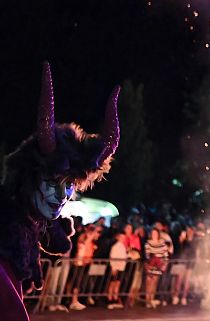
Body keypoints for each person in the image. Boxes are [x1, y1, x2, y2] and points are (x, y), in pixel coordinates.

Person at [0, 63, 120, 321]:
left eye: (69, 186)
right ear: (30, 177)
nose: (62, 196)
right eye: (54, 183)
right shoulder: (7, 229)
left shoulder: (27, 224)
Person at [144, 227, 169, 308]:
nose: (154, 235)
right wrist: (151, 260)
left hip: (158, 266)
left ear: (158, 234)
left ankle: (151, 299)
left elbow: (166, 255)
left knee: (154, 283)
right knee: (148, 282)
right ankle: (147, 300)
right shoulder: (148, 243)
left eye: (155, 233)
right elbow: (147, 255)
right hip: (150, 265)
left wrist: (164, 264)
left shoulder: (162, 243)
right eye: (153, 233)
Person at [106, 233, 127, 309]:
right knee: (112, 284)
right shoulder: (115, 246)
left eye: (124, 237)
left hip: (121, 268)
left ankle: (115, 298)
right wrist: (113, 267)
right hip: (116, 268)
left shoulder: (123, 247)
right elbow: (112, 257)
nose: (123, 239)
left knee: (117, 283)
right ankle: (109, 298)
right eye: (121, 237)